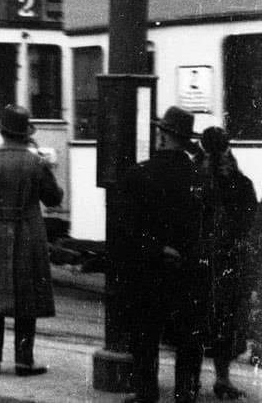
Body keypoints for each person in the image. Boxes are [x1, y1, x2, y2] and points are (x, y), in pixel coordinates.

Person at [121, 105, 211, 403]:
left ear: (161, 135)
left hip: (149, 269)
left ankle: (145, 394)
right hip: (188, 271)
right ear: (186, 140)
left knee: (145, 337)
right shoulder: (200, 178)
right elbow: (208, 226)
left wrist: (158, 248)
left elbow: (129, 230)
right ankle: (185, 394)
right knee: (188, 339)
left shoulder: (139, 174)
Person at [0, 104, 63, 376]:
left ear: (2, 132)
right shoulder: (36, 163)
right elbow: (54, 199)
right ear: (25, 134)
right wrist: (48, 167)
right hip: (29, 235)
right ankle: (23, 361)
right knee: (26, 298)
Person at [201, 126, 256, 400]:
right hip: (230, 263)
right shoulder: (241, 183)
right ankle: (222, 378)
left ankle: (187, 379)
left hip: (198, 262)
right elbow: (250, 224)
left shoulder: (196, 178)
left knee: (196, 322)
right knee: (227, 321)